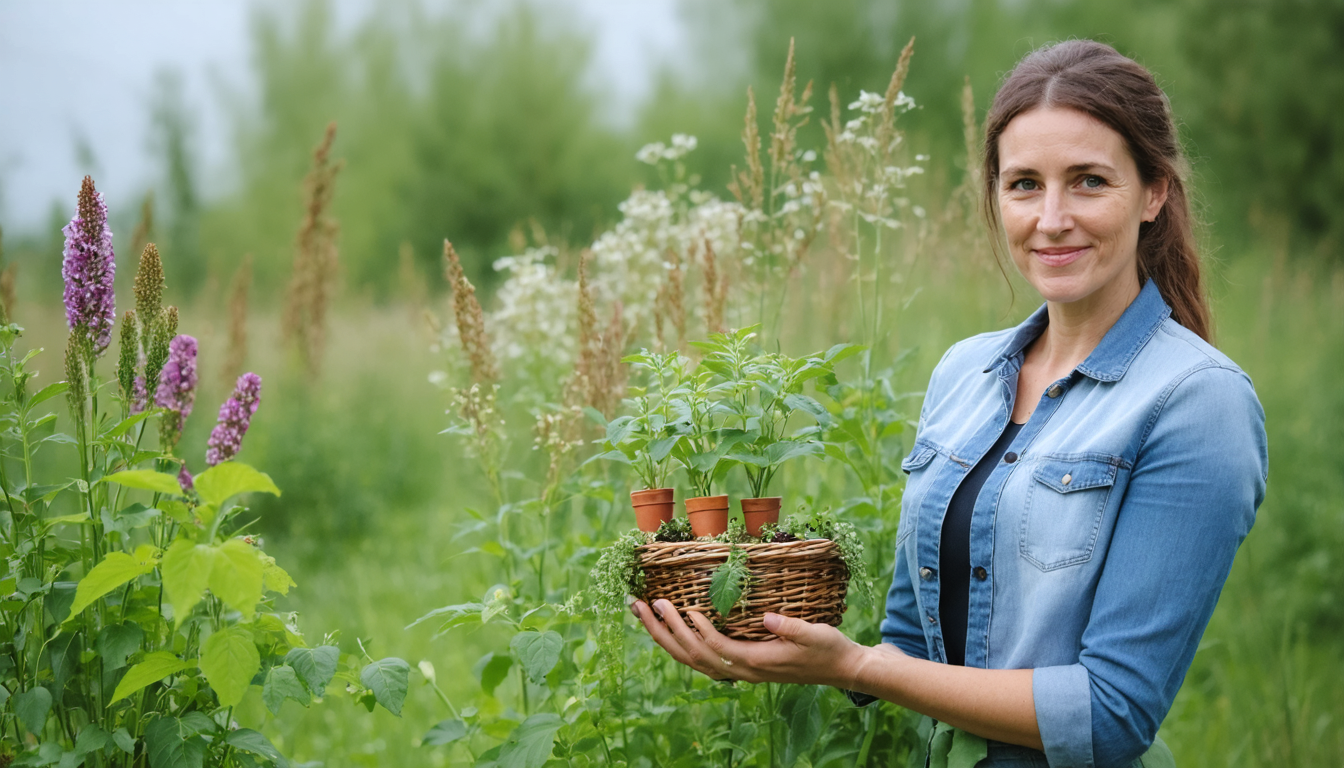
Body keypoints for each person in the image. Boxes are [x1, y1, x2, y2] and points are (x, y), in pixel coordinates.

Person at [630, 39, 1268, 768]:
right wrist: (759, 631)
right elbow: (910, 642)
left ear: (1154, 192)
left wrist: (857, 667)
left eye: (1089, 181)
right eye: (1024, 184)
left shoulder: (1196, 402)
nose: (1051, 218)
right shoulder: (964, 373)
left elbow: (1111, 712)